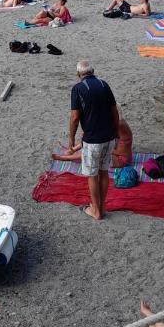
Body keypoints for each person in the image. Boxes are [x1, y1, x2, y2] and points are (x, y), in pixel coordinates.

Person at [68, 61, 119, 221]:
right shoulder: (104, 84)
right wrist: (116, 134)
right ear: (93, 72)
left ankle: (96, 211)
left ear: (78, 74)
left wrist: (71, 138)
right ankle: (101, 207)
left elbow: (75, 117)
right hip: (109, 137)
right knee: (103, 172)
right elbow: (115, 112)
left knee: (92, 174)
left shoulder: (78, 89)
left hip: (92, 140)